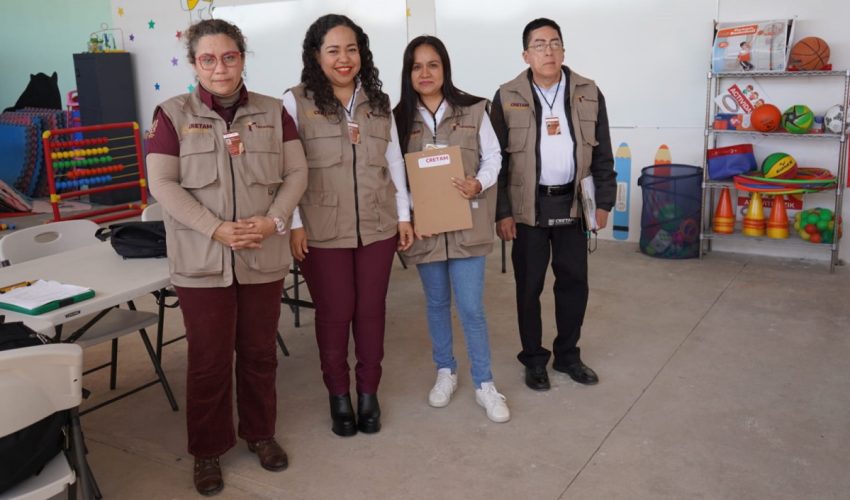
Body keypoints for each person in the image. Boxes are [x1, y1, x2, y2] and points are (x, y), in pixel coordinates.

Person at [146, 19, 307, 496]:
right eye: (208, 59)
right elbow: (163, 184)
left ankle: (260, 434)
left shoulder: (275, 112)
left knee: (259, 353)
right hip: (202, 259)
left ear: (242, 57)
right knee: (209, 359)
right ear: (194, 63)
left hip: (262, 251)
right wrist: (215, 228)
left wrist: (274, 220)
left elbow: (296, 173)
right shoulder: (172, 115)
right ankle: (208, 450)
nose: (220, 68)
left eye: (230, 57)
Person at [283, 14, 413, 437]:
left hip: (377, 226)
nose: (344, 58)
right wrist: (295, 224)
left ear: (363, 53)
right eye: (333, 50)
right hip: (321, 231)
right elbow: (288, 170)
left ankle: (368, 394)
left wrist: (403, 215)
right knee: (336, 314)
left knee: (372, 313)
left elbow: (393, 163)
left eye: (352, 49)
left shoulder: (378, 103)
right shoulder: (296, 102)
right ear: (316, 55)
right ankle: (338, 396)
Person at [490, 18, 616, 392]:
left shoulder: (588, 92)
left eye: (555, 43)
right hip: (528, 208)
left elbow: (604, 153)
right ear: (526, 54)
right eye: (540, 44)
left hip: (574, 204)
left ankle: (568, 355)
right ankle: (533, 359)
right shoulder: (507, 95)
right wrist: (503, 211)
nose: (549, 51)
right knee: (529, 287)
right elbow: (495, 161)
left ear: (563, 50)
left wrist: (604, 202)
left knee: (574, 283)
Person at [393, 36, 509, 423]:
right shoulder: (397, 119)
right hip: (427, 229)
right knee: (437, 304)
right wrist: (408, 213)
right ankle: (446, 370)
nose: (425, 73)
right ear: (408, 73)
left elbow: (494, 155)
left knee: (472, 308)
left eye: (433, 65)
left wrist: (480, 181)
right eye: (416, 66)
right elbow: (394, 174)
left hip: (467, 226)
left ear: (445, 68)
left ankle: (484, 383)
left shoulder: (475, 109)